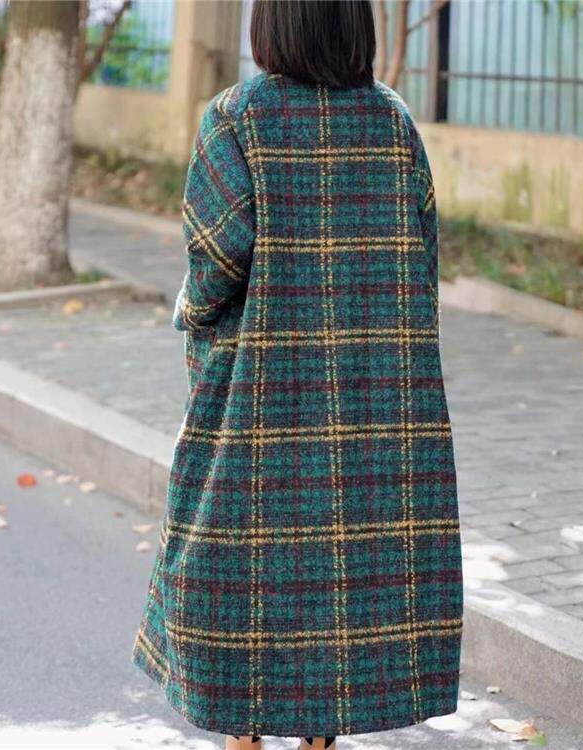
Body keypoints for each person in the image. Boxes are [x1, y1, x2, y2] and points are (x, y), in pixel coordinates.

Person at [132, 2, 463, 748]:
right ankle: (321, 735)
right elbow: (423, 264)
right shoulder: (393, 123)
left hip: (259, 398)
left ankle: (243, 735)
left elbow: (214, 265)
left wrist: (191, 314)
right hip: (375, 404)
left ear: (272, 23)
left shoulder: (236, 118)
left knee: (243, 572)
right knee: (347, 580)